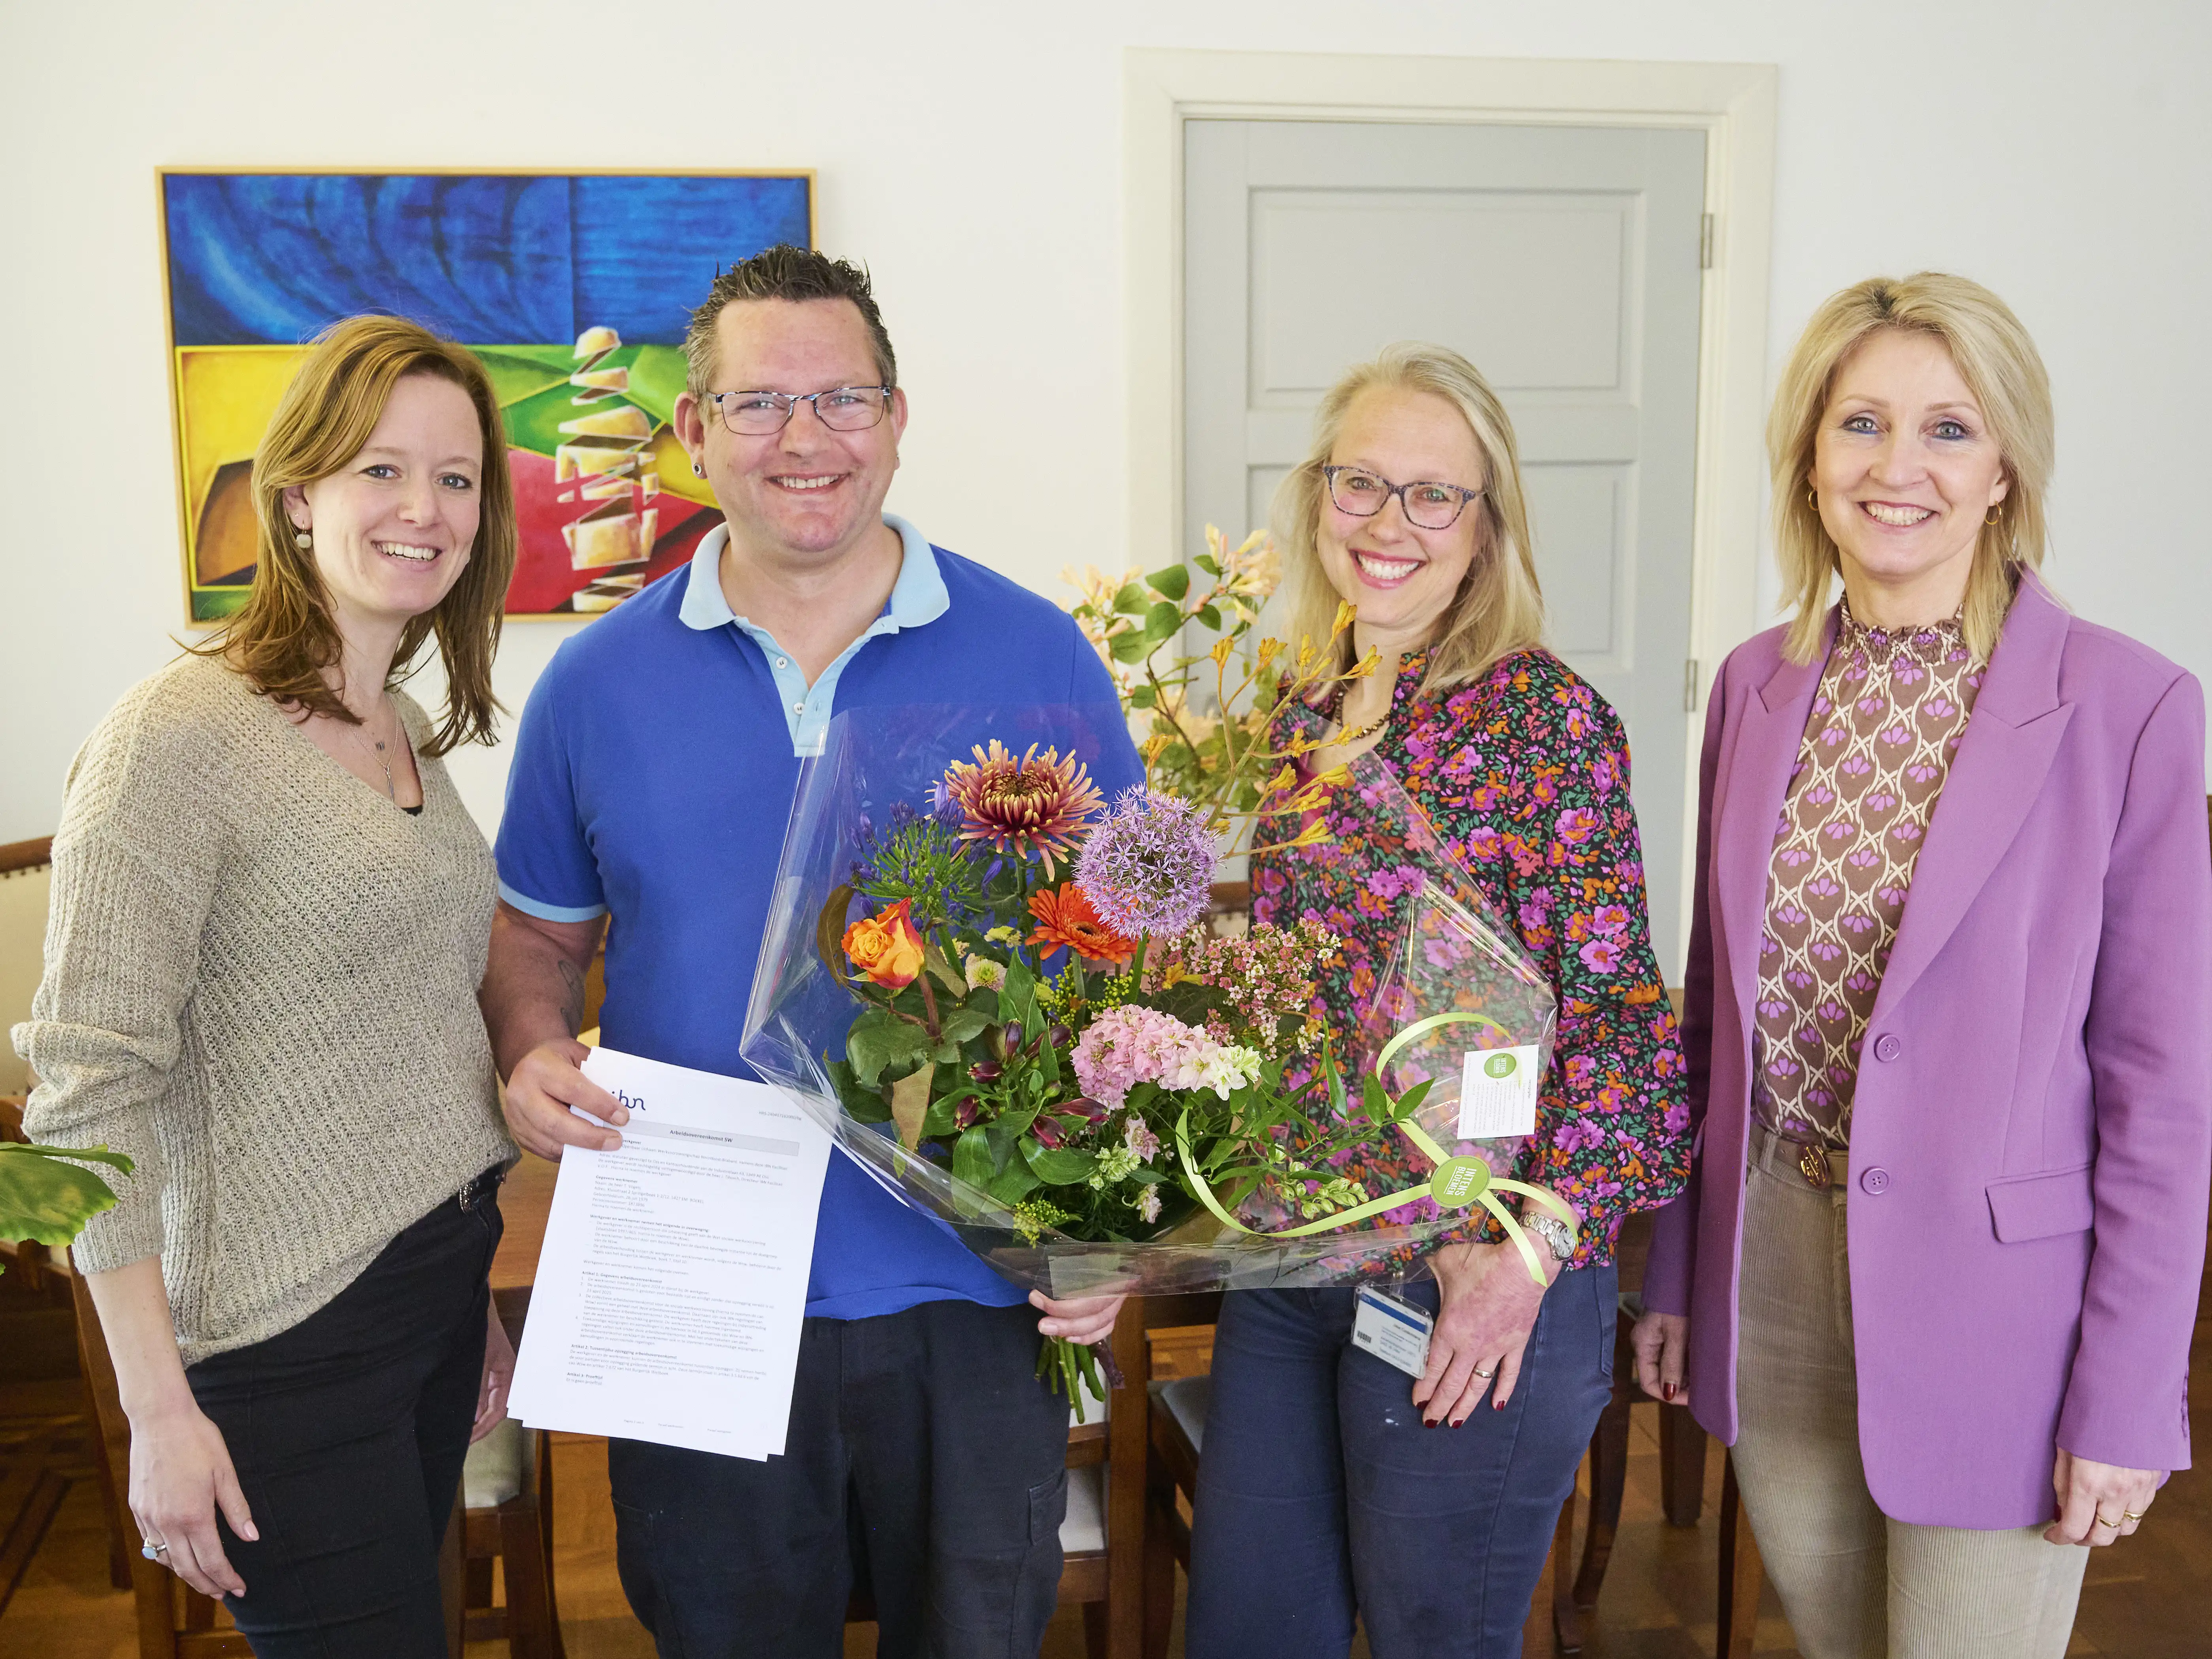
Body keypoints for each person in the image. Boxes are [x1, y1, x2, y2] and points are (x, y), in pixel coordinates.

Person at [483, 244, 1142, 1659]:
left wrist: (1114, 1221)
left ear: (899, 419)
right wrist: (529, 1045)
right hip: (695, 1279)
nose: (805, 439)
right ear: (692, 435)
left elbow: (1124, 968)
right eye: (760, 403)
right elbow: (536, 932)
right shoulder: (597, 683)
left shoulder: (1037, 657)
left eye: (844, 397)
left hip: (974, 1285)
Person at [1632, 273, 2212, 1658]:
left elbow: (2162, 1093)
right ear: (1810, 458)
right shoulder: (1752, 687)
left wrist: (2129, 1398)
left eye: (1947, 429)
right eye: (1860, 424)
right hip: (1772, 1269)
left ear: (2004, 464)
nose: (1898, 469)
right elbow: (1711, 1012)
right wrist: (1669, 1270)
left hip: (1997, 1316)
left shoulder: (2129, 707)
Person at [14, 314, 521, 1654]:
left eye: (457, 477)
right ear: (295, 498)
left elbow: (414, 1025)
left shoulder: (398, 722)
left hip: (429, 1287)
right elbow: (83, 1098)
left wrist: (464, 1303)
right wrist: (157, 1407)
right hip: (281, 1342)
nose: (425, 508)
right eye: (380, 470)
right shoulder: (172, 738)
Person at [1183, 343, 1690, 1659]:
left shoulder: (1545, 723)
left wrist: (1516, 1263)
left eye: (1433, 494)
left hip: (1476, 1266)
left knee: (1433, 1634)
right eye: (1361, 482)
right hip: (1298, 1247)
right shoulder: (1292, 707)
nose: (1388, 523)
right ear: (1315, 494)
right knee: (1251, 1625)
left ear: (1486, 525)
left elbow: (1623, 1035)